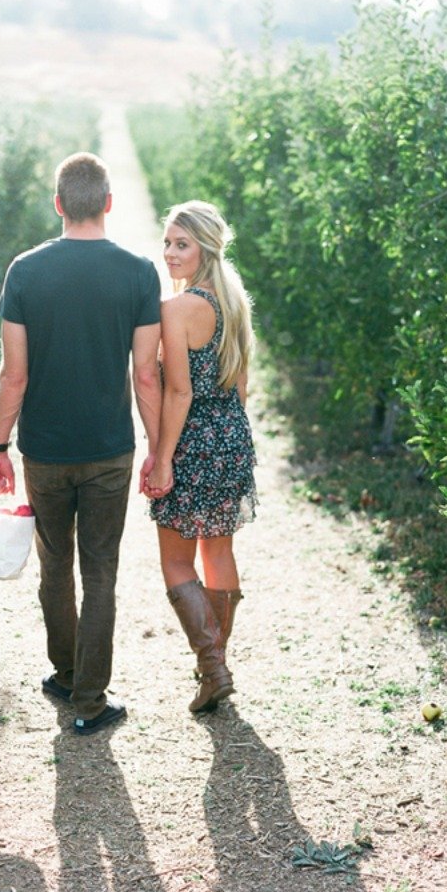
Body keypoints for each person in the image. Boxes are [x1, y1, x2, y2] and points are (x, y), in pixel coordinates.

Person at [0, 152, 162, 736]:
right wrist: (158, 447)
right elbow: (145, 375)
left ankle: (65, 674)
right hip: (110, 449)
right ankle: (90, 698)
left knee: (55, 565)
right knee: (102, 572)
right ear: (108, 203)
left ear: (59, 204)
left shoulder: (25, 271)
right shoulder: (138, 272)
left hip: (45, 450)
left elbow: (14, 374)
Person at [143, 200, 257, 713]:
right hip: (231, 437)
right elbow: (242, 386)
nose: (170, 252)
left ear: (204, 248)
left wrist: (163, 457)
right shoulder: (234, 302)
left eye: (181, 244)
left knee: (175, 560)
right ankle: (216, 669)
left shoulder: (179, 308)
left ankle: (213, 668)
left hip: (192, 442)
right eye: (167, 242)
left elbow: (178, 393)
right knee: (218, 553)